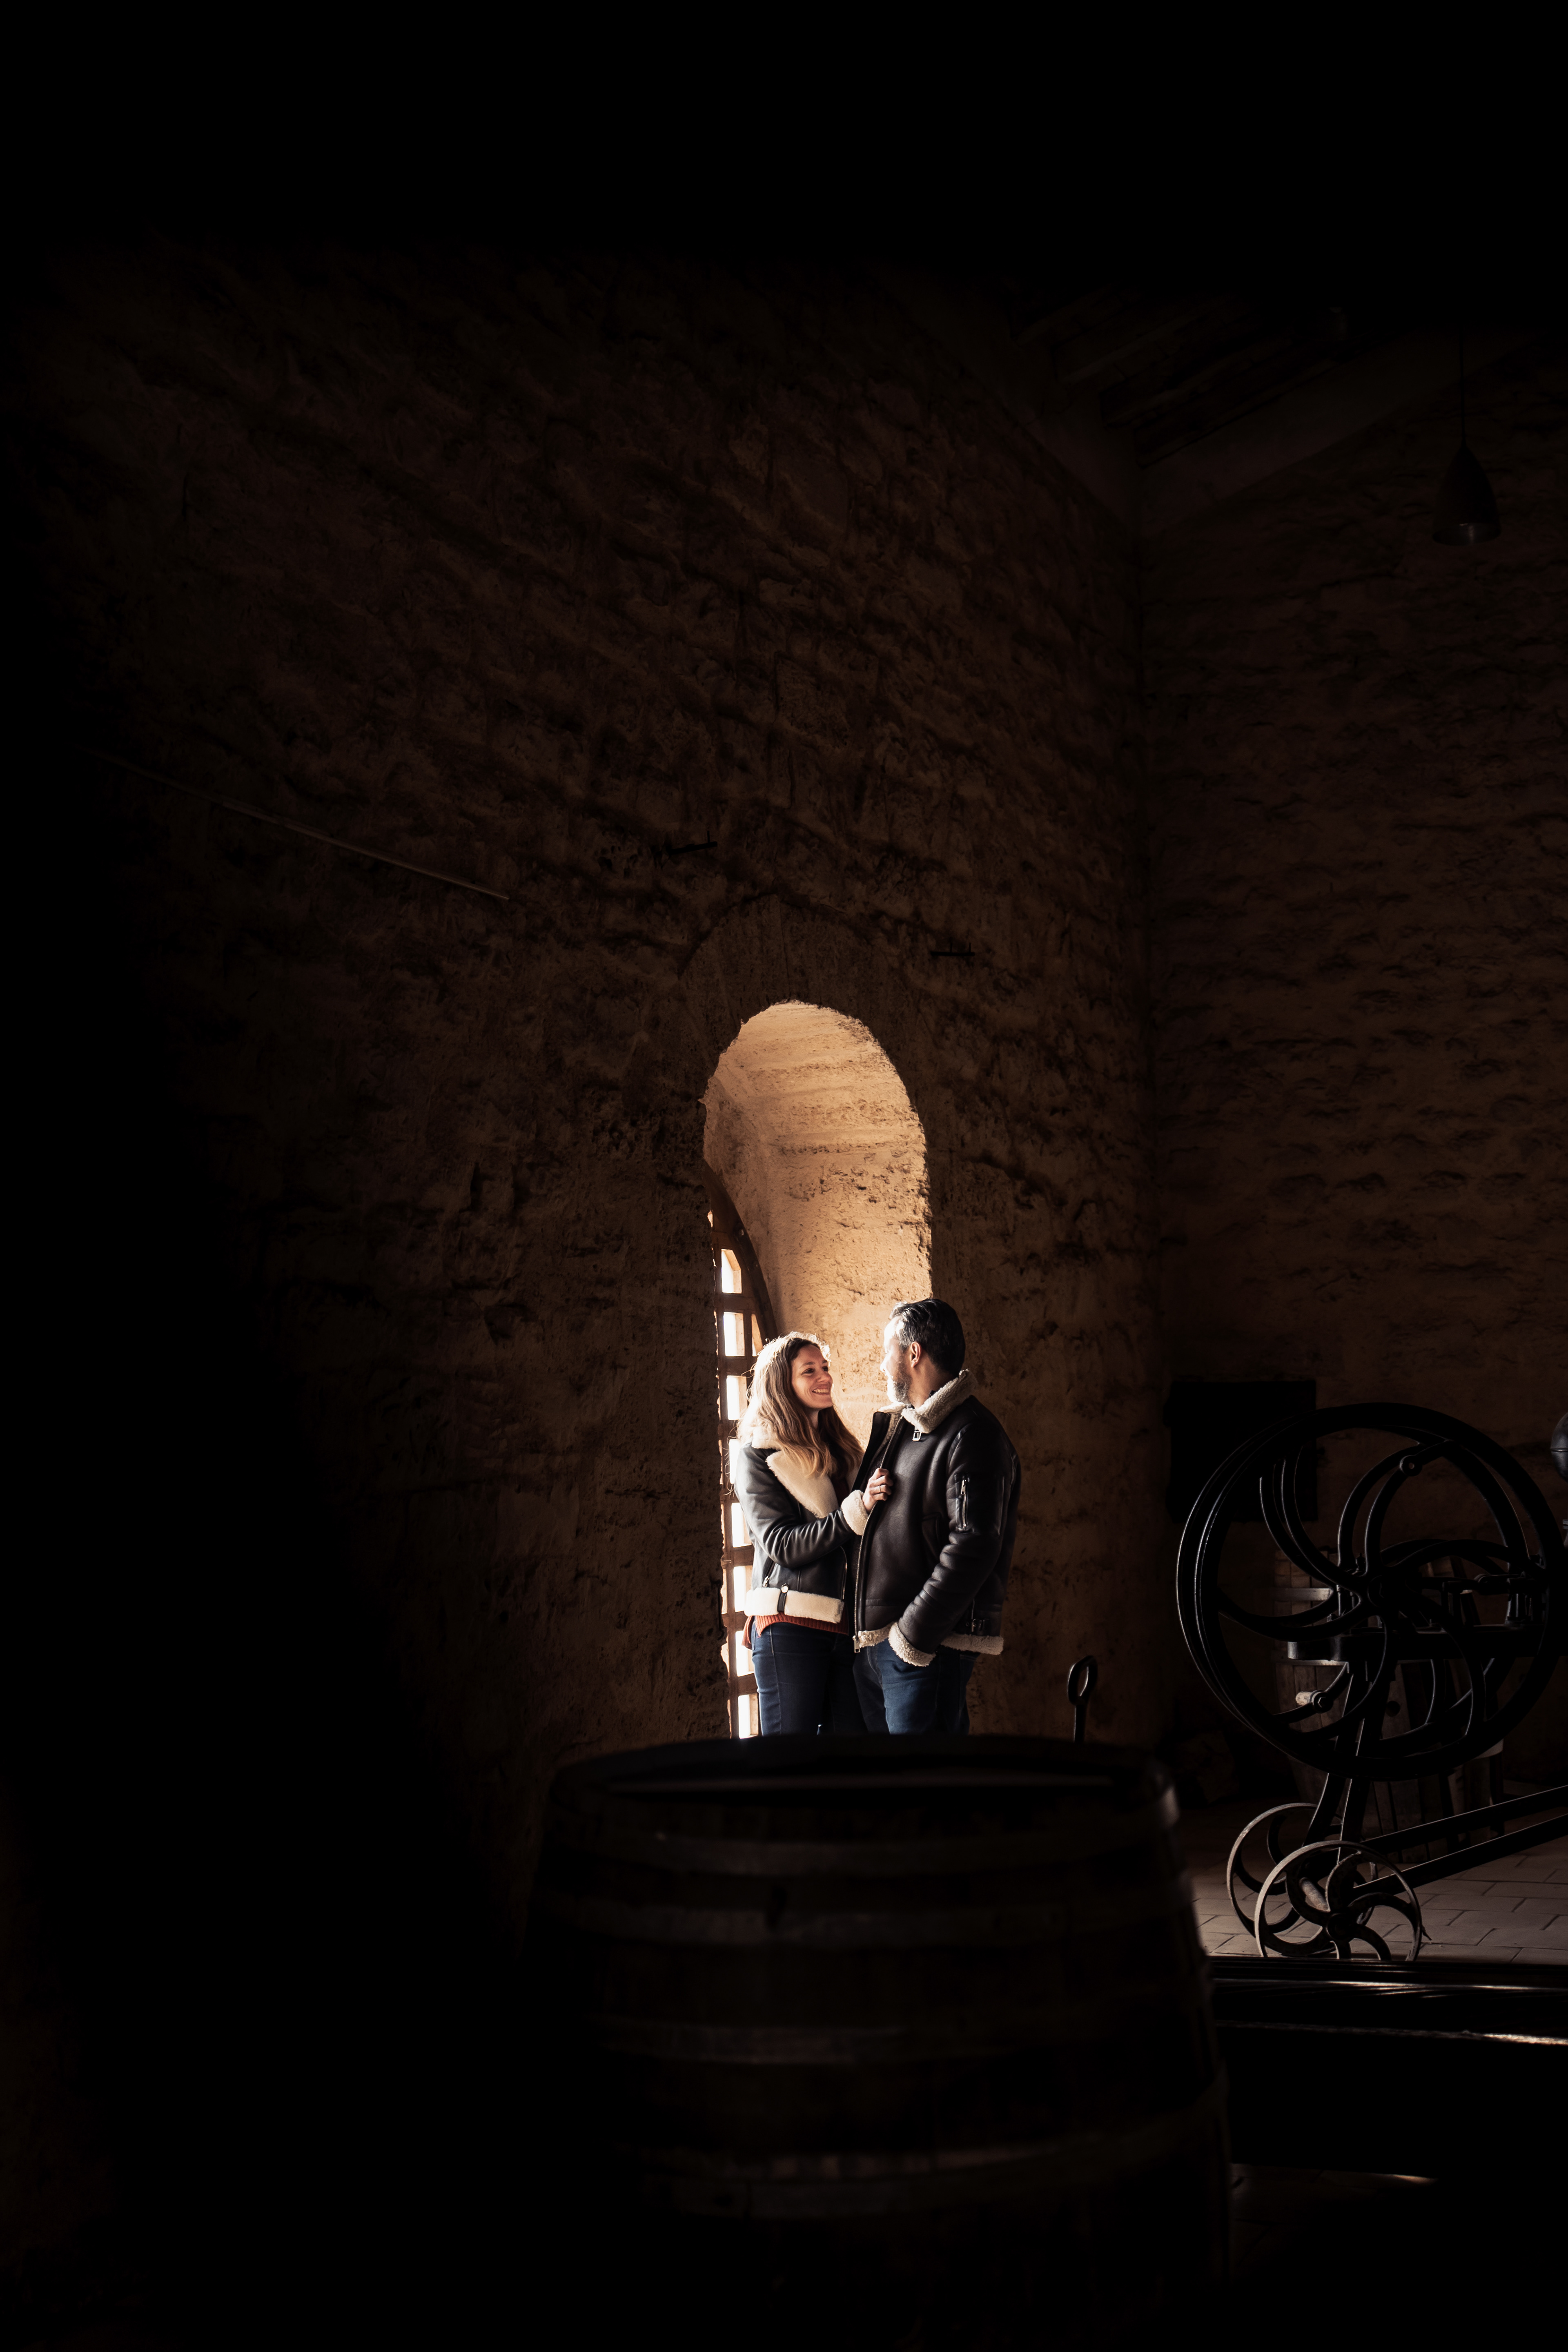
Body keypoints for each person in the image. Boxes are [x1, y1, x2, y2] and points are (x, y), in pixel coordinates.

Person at [851, 1298, 1019, 1736]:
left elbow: (975, 1544)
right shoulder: (907, 1428)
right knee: (896, 1795)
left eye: (888, 1351)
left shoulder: (972, 1434)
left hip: (925, 1649)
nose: (882, 1365)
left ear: (914, 1353)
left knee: (928, 1793)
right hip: (885, 1648)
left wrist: (910, 1638)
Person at [732, 1333, 890, 1735]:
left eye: (825, 1367)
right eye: (809, 1371)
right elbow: (783, 1546)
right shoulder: (758, 1455)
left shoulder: (845, 1451)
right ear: (782, 1384)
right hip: (789, 1626)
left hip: (848, 1629)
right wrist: (855, 1511)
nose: (824, 1377)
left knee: (849, 1768)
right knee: (789, 1771)